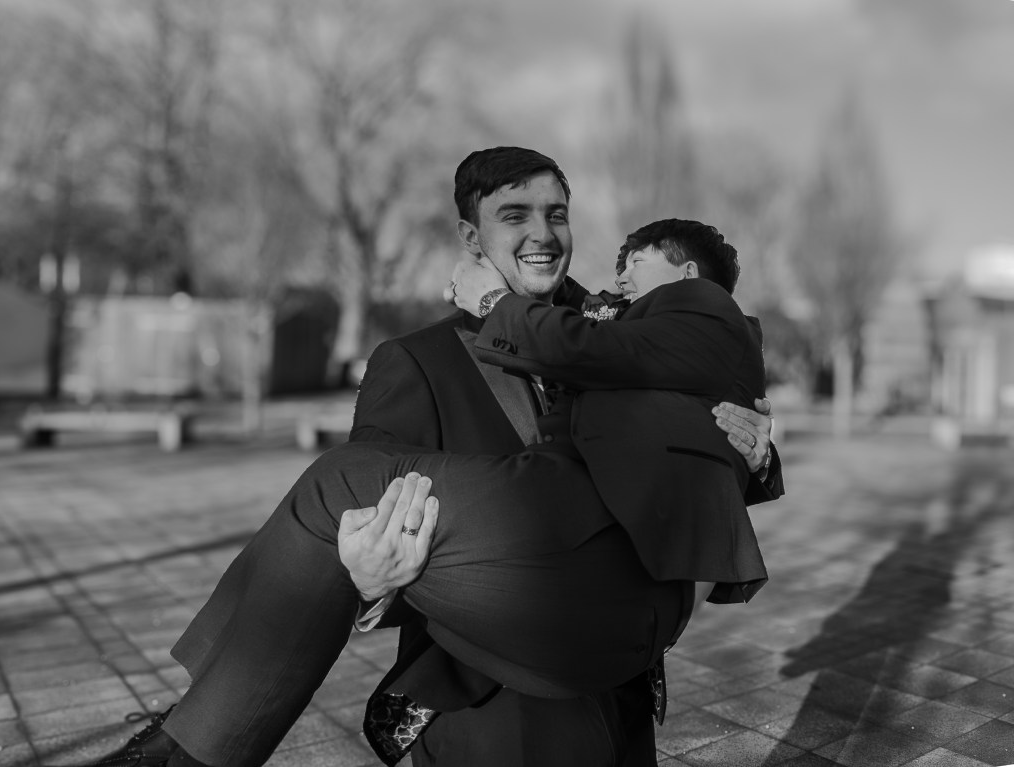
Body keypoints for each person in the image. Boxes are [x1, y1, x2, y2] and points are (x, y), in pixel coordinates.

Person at [86, 148, 782, 767]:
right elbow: (370, 530)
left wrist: (756, 454)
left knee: (328, 489)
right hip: (488, 709)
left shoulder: (623, 326)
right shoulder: (413, 362)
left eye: (557, 214)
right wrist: (368, 581)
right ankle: (195, 738)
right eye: (515, 215)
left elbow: (679, 433)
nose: (543, 234)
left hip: (621, 678)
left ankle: (189, 740)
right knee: (341, 496)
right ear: (471, 237)